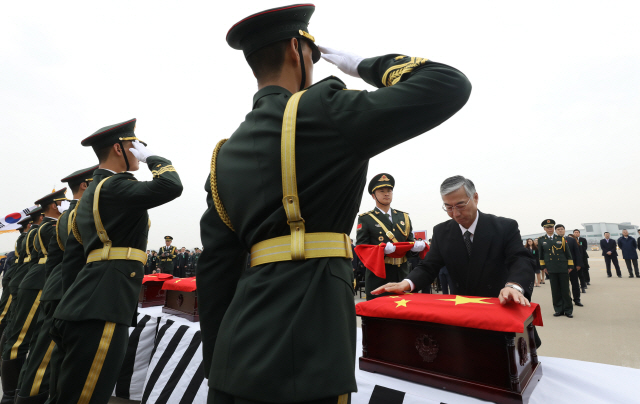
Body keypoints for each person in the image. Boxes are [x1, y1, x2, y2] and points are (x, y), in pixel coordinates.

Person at [196, 4, 471, 403]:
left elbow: (216, 269)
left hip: (237, 351)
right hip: (310, 339)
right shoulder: (324, 110)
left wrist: (219, 363)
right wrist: (364, 65)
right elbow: (448, 84)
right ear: (297, 49)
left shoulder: (224, 155)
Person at [49, 118, 182, 403]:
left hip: (81, 305)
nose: (138, 151)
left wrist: (69, 305)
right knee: (88, 396)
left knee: (68, 393)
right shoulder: (116, 187)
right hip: (105, 304)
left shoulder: (89, 196)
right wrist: (155, 159)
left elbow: (73, 260)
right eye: (135, 146)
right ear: (119, 149)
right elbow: (171, 186)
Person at [15, 165, 96, 404]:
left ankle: (17, 394)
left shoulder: (57, 223)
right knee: (44, 357)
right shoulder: (63, 221)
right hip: (58, 287)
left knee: (40, 352)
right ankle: (21, 397)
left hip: (50, 285)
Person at [1, 188, 65, 402]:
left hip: (31, 278)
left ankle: (16, 391)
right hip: (38, 281)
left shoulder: (40, 229)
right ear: (55, 206)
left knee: (24, 335)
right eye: (63, 203)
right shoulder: (49, 228)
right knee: (23, 339)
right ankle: (12, 394)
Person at [356, 174, 426, 299]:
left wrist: (415, 248)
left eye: (389, 191)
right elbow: (362, 249)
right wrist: (382, 251)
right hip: (379, 275)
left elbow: (408, 244)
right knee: (379, 314)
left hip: (402, 274)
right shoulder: (366, 219)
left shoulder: (403, 217)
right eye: (381, 191)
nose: (386, 194)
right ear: (373, 196)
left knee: (403, 314)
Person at [538, 219, 574, 318]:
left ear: (553, 228)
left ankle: (568, 310)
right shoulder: (541, 240)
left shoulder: (561, 238)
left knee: (565, 290)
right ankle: (558, 309)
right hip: (550, 267)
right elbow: (541, 255)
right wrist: (543, 267)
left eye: (551, 227)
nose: (550, 229)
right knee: (555, 290)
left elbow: (568, 253)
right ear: (544, 228)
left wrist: (570, 265)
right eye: (548, 227)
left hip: (562, 267)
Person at [557, 225, 584, 307]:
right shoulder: (554, 240)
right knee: (563, 285)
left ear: (565, 230)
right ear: (556, 231)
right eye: (558, 229)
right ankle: (566, 300)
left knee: (575, 283)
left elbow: (577, 253)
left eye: (562, 229)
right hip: (560, 266)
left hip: (573, 266)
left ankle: (577, 300)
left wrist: (579, 264)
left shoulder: (571, 240)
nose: (560, 231)